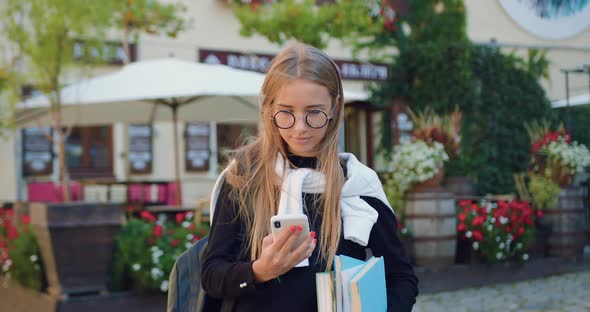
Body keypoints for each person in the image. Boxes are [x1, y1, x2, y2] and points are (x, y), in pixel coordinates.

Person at [201, 43, 418, 312]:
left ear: (335, 108)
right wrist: (260, 270)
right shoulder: (244, 178)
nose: (300, 128)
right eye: (286, 112)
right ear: (269, 108)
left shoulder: (357, 185)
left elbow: (401, 278)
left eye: (314, 112)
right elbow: (211, 276)